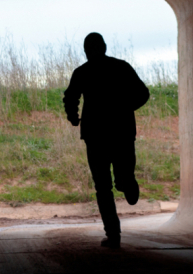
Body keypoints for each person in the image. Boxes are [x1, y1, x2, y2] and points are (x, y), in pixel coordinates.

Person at [63, 32, 150, 248]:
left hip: (95, 136)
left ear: (86, 50)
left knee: (103, 187)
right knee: (121, 173)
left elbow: (70, 97)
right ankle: (127, 183)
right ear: (105, 47)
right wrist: (125, 108)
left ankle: (113, 234)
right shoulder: (122, 67)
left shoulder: (82, 72)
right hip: (122, 132)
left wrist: (73, 117)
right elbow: (143, 93)